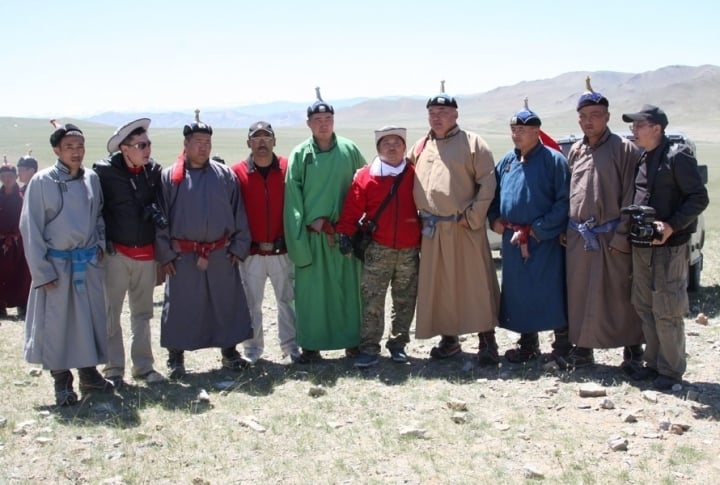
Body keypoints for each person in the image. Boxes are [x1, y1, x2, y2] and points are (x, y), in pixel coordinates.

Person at [19, 121, 114, 406]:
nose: (76, 152)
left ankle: (88, 374)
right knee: (57, 325)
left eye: (80, 146)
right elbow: (30, 228)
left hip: (87, 263)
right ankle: (62, 383)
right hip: (56, 267)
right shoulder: (42, 182)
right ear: (57, 150)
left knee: (88, 321)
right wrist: (42, 272)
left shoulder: (92, 179)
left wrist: (98, 245)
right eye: (69, 147)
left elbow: (98, 216)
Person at [156, 112, 253, 379]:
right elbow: (161, 219)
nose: (203, 147)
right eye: (198, 141)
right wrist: (165, 255)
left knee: (226, 303)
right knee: (180, 306)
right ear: (185, 145)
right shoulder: (170, 178)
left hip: (222, 253)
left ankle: (230, 353)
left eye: (207, 142)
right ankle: (176, 358)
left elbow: (239, 212)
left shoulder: (225, 175)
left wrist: (238, 247)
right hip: (183, 256)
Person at [408, 83, 500, 364]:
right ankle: (449, 341)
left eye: (443, 112)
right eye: (432, 112)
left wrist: (472, 218)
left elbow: (488, 183)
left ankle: (487, 342)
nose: (437, 117)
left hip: (463, 227)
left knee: (476, 283)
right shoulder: (420, 147)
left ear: (455, 114)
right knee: (440, 286)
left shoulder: (474, 143)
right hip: (432, 231)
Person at [622, 104, 708, 390]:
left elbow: (698, 198)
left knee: (667, 307)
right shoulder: (643, 157)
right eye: (632, 125)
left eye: (638, 125)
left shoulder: (677, 156)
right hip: (643, 245)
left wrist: (671, 226)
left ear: (656, 128)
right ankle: (653, 364)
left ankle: (671, 371)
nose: (633, 130)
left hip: (670, 247)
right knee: (644, 305)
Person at [563, 78, 645, 369]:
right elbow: (569, 191)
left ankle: (633, 350)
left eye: (595, 115)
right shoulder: (576, 150)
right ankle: (583, 349)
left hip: (612, 237)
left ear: (607, 117)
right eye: (583, 117)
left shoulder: (625, 150)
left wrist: (622, 237)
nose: (588, 121)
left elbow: (632, 196)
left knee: (620, 293)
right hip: (579, 239)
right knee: (580, 292)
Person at [284, 88, 366, 363]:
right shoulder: (300, 155)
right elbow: (293, 201)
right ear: (308, 123)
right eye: (317, 120)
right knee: (312, 295)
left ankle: (352, 342)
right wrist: (299, 240)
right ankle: (311, 345)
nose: (323, 123)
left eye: (328, 118)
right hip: (314, 237)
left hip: (345, 235)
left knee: (348, 291)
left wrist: (360, 227)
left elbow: (365, 185)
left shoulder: (349, 149)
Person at [487, 101, 571, 363]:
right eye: (514, 128)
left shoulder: (554, 161)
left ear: (537, 131)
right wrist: (494, 220)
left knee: (552, 289)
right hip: (512, 240)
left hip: (544, 239)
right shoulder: (507, 161)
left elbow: (564, 200)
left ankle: (563, 345)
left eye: (523, 128)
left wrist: (539, 229)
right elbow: (494, 196)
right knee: (519, 291)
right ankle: (528, 345)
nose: (517, 133)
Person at [336, 126, 421, 367]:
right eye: (386, 143)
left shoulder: (415, 174)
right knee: (372, 300)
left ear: (405, 147)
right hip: (377, 249)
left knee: (405, 299)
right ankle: (370, 348)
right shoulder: (365, 176)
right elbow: (352, 207)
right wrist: (344, 232)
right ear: (378, 148)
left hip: (409, 249)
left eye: (397, 143)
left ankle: (398, 344)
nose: (392, 147)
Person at [93, 118, 165, 387]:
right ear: (124, 149)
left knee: (143, 314)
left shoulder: (154, 171)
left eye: (148, 144)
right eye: (141, 145)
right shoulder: (103, 173)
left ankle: (144, 367)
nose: (147, 150)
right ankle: (113, 369)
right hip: (116, 254)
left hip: (146, 254)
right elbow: (96, 211)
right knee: (112, 313)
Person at [231, 121, 300, 363]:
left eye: (266, 137)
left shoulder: (287, 168)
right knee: (251, 304)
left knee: (287, 301)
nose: (262, 142)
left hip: (282, 250)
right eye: (256, 138)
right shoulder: (237, 172)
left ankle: (291, 347)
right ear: (248, 143)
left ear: (274, 140)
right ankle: (252, 350)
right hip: (252, 252)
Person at [1, 161, 31, 319]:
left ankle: (22, 306)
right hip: (1, 244)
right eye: (3, 176)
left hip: (19, 243)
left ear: (15, 177)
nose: (7, 179)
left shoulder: (23, 197)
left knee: (22, 275)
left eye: (10, 176)